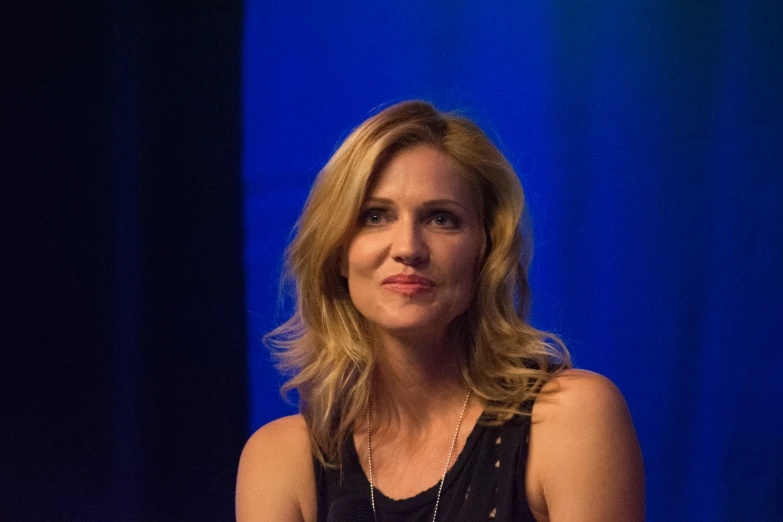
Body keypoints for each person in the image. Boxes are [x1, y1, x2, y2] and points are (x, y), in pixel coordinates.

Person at [236, 100, 644, 521]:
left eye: (441, 219)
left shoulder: (572, 420)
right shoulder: (280, 460)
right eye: (375, 216)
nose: (408, 248)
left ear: (485, 250)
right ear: (339, 254)